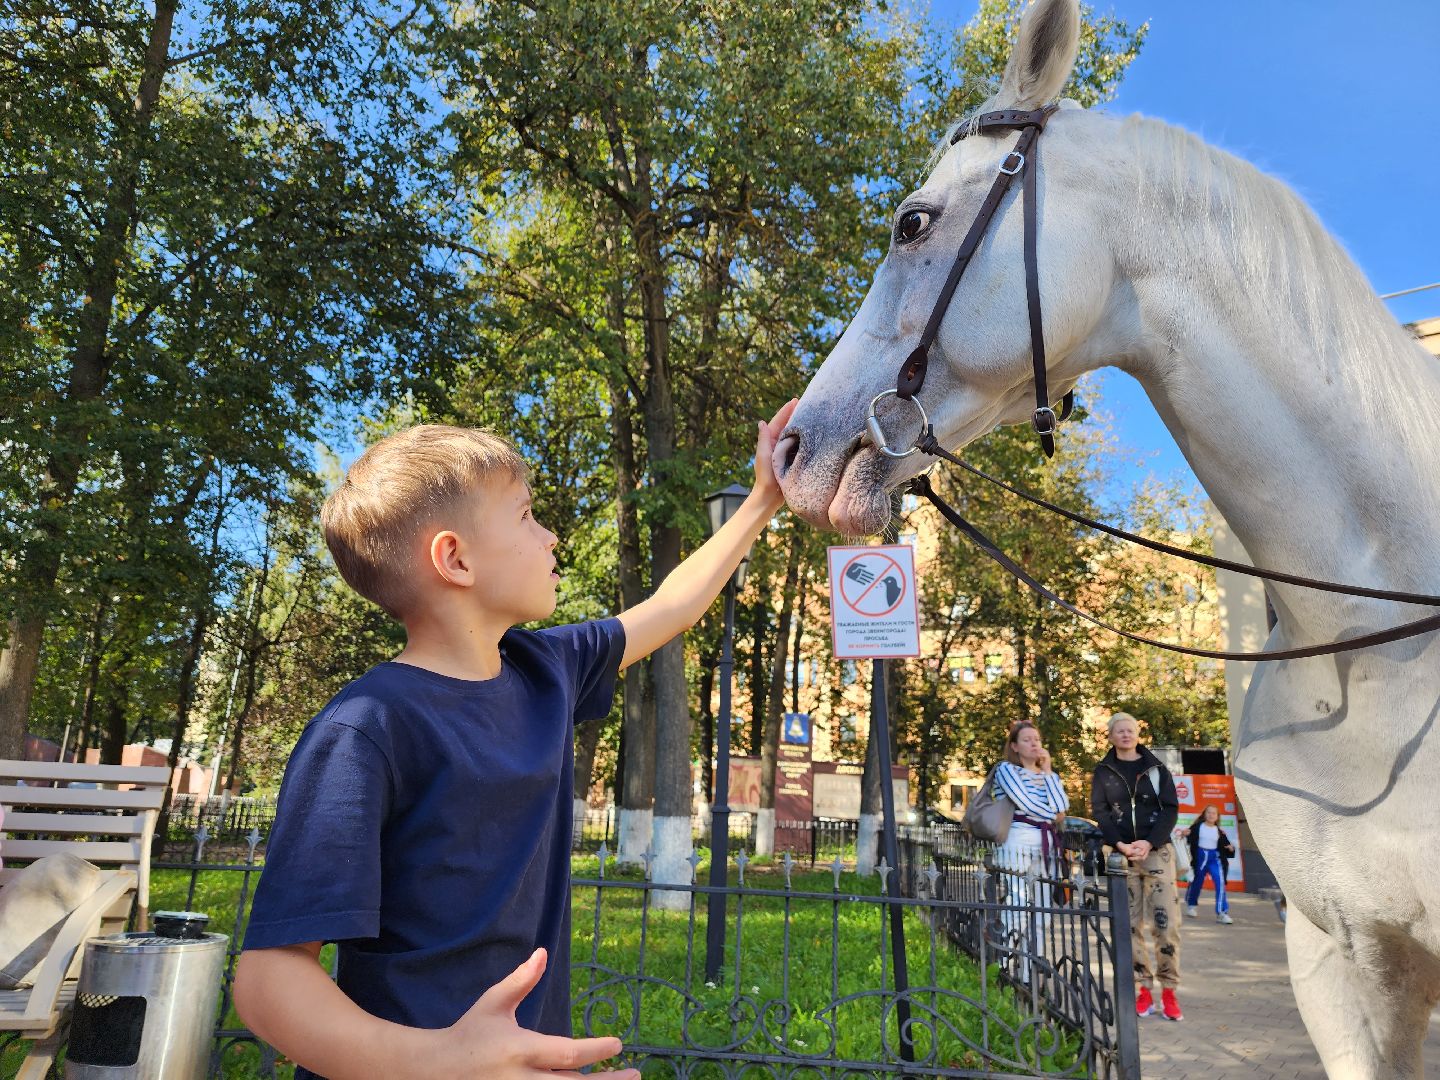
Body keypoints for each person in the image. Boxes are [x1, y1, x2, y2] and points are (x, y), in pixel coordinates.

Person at [233, 402, 797, 1080]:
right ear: (455, 559)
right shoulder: (366, 727)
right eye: (527, 516)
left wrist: (764, 496)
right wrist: (445, 1062)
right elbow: (269, 983)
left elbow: (671, 606)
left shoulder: (545, 669)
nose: (551, 535)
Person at [1090, 712, 1183, 1022]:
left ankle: (1168, 991)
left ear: (1138, 734)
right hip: (1121, 856)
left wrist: (1149, 842)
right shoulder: (1104, 771)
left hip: (1156, 854)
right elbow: (1101, 812)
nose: (1126, 735)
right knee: (1129, 926)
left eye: (1130, 730)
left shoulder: (1156, 769)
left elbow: (1170, 808)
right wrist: (1120, 845)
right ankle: (1143, 989)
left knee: (1165, 923)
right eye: (1120, 731)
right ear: (1112, 736)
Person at [990, 721, 1069, 980]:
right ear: (1014, 746)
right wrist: (1052, 813)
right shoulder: (1006, 770)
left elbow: (1062, 811)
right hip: (1017, 838)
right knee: (1018, 902)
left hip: (1045, 843)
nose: (1034, 743)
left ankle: (1027, 970)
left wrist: (1047, 771)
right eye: (1027, 740)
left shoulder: (1050, 776)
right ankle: (1004, 965)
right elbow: (1026, 802)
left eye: (1037, 738)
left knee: (1043, 909)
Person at [1180, 804, 1236, 924]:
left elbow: (1227, 847)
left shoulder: (1220, 832)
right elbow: (1187, 838)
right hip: (1199, 857)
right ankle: (1191, 905)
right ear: (1205, 814)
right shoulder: (1196, 827)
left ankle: (1222, 913)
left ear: (1217, 817)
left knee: (1220, 883)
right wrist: (1184, 834)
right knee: (1197, 881)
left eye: (1213, 813)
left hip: (1214, 859)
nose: (1211, 815)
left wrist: (1231, 848)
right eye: (1209, 812)